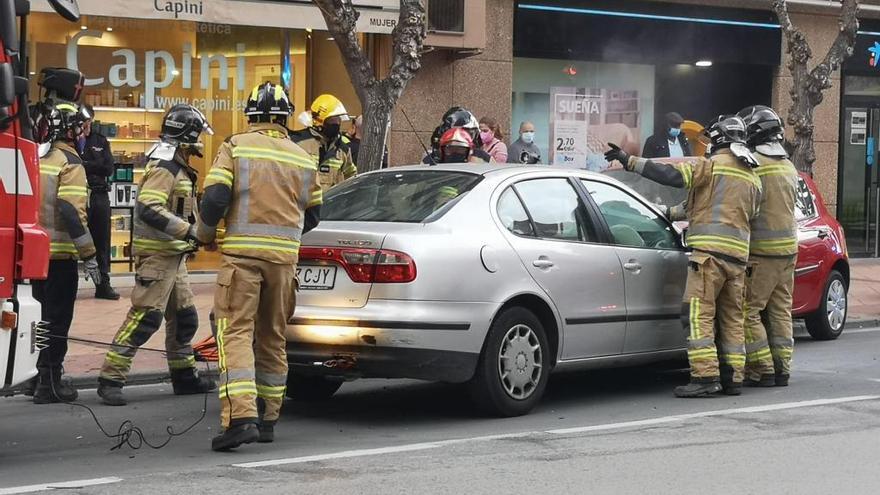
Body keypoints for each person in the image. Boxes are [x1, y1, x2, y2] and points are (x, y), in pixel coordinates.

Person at [196, 82, 322, 451]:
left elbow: (216, 197)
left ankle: (241, 418)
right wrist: (285, 235)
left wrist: (204, 235)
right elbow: (314, 214)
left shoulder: (235, 146)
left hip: (242, 260)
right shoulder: (302, 157)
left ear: (250, 115)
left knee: (234, 333)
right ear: (284, 118)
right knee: (272, 337)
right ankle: (268, 419)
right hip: (284, 263)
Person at [605, 115, 762, 398]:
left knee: (697, 314)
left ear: (719, 140)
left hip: (709, 258)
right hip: (738, 260)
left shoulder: (710, 166)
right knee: (731, 319)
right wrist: (663, 213)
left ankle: (705, 378)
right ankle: (732, 378)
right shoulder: (752, 177)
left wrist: (629, 161)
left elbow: (672, 176)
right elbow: (716, 209)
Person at [97, 104, 216, 406]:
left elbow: (181, 207)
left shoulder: (176, 163)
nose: (201, 139)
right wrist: (188, 232)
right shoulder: (166, 167)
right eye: (198, 133)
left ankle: (184, 377)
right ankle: (111, 378)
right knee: (145, 318)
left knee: (185, 318)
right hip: (158, 257)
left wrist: (198, 232)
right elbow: (149, 208)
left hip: (174, 257)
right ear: (186, 135)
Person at [34, 101, 102, 404]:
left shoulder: (38, 157)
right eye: (80, 126)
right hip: (60, 257)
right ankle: (51, 382)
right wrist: (89, 254)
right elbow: (71, 211)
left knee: (41, 319)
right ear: (70, 129)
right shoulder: (71, 161)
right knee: (58, 320)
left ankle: (36, 377)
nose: (84, 130)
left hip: (35, 256)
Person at [737, 105, 799, 388]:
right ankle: (782, 368)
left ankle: (762, 369)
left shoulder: (756, 165)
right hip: (789, 253)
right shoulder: (788, 165)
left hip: (762, 253)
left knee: (749, 311)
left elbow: (746, 207)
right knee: (780, 311)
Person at [79, 104, 120, 300]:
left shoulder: (99, 140)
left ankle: (102, 285)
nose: (87, 123)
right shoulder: (70, 139)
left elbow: (108, 168)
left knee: (101, 242)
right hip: (77, 195)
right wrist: (93, 166)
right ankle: (68, 284)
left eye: (89, 119)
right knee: (72, 241)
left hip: (99, 195)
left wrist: (86, 164)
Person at [291, 94, 357, 192]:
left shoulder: (342, 149)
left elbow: (351, 176)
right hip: (303, 205)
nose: (337, 124)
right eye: (332, 120)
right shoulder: (298, 142)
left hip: (331, 205)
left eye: (338, 120)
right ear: (318, 121)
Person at [424, 107, 492, 164]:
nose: (457, 136)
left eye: (465, 132)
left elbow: (495, 175)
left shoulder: (482, 158)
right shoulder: (431, 160)